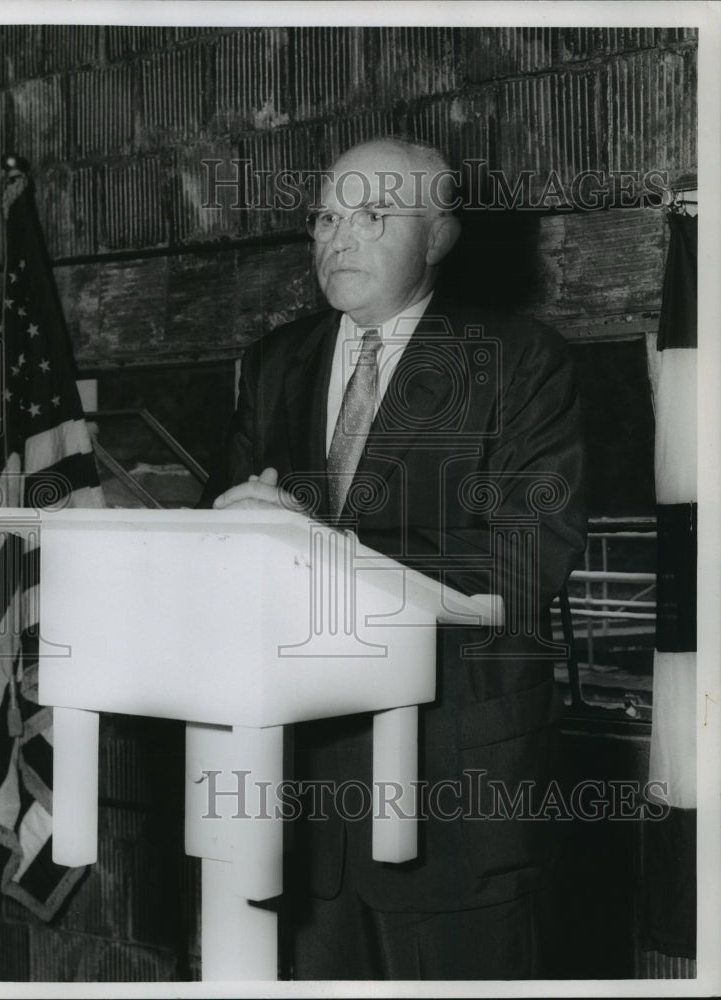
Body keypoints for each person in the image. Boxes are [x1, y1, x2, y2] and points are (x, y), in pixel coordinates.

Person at [201, 137, 587, 980]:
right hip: (293, 798)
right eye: (325, 218)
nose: (337, 238)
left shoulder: (520, 360)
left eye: (372, 215)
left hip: (458, 794)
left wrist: (315, 541)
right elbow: (227, 552)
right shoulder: (273, 365)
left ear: (438, 235)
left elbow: (528, 566)